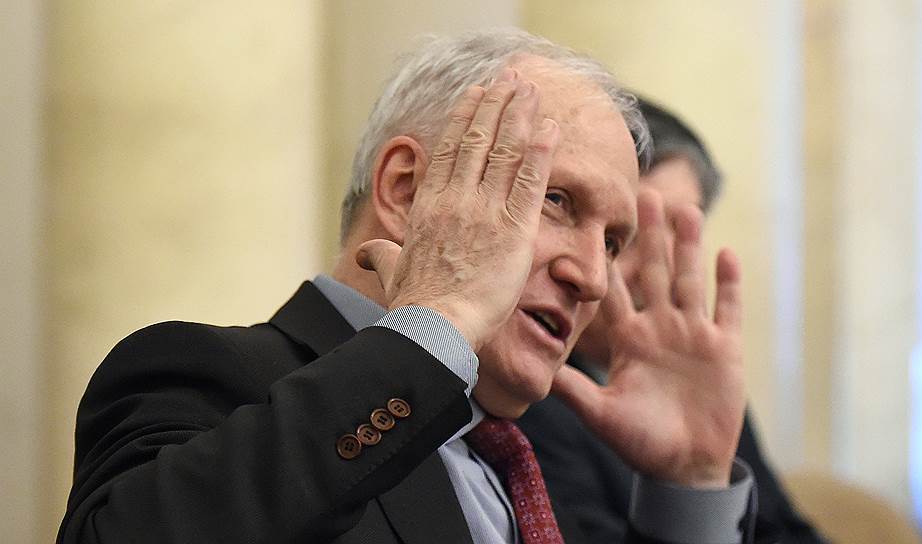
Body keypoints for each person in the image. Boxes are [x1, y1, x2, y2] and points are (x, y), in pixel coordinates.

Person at [59, 30, 753, 543]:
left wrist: (686, 489)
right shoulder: (202, 373)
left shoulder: (533, 461)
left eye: (611, 242)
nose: (592, 278)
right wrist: (436, 324)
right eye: (556, 200)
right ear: (405, 190)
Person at [518, 96, 828, 543]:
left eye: (679, 233)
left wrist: (699, 476)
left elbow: (785, 531)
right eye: (626, 236)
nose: (655, 266)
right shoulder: (526, 392)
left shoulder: (697, 376)